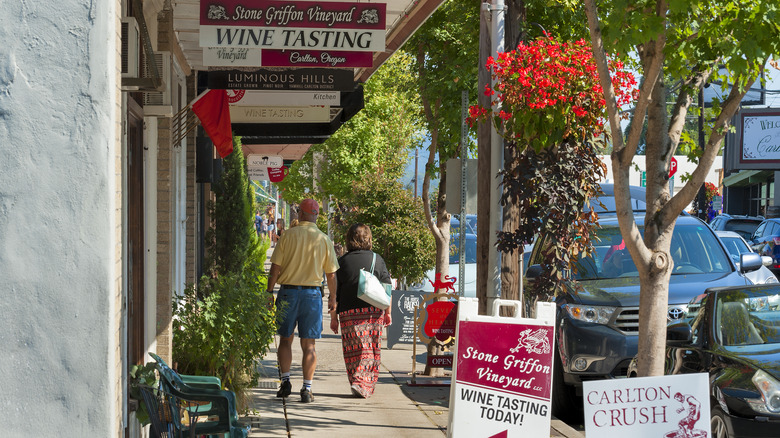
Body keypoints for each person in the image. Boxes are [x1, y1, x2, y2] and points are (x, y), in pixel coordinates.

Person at [266, 199, 339, 403]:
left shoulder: (288, 236)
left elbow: (275, 268)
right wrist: (333, 298)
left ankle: (286, 382)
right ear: (315, 215)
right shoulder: (324, 239)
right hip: (312, 296)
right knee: (309, 345)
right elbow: (331, 275)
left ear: (301, 214)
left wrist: (269, 292)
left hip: (288, 293)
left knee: (285, 339)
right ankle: (307, 389)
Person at [329, 223, 392, 398]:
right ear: (369, 239)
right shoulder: (377, 259)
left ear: (349, 239)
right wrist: (388, 312)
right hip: (373, 310)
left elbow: (335, 293)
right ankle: (364, 383)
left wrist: (334, 317)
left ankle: (358, 382)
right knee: (371, 348)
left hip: (348, 312)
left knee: (353, 350)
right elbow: (387, 287)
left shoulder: (342, 261)